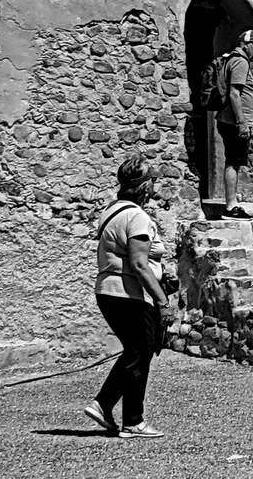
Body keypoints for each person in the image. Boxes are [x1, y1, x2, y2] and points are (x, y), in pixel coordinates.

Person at [86, 152, 172, 439]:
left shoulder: (113, 210)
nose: (156, 186)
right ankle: (126, 417)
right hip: (127, 293)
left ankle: (114, 410)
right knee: (139, 352)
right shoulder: (136, 216)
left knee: (138, 352)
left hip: (110, 291)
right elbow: (138, 263)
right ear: (145, 186)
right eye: (153, 181)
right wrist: (162, 299)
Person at [203, 29, 253, 217]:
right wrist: (242, 122)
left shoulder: (233, 59)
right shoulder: (240, 61)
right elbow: (234, 93)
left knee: (234, 160)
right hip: (234, 121)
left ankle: (231, 204)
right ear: (248, 45)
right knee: (234, 161)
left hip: (230, 120)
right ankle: (231, 206)